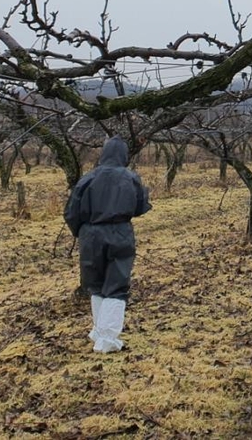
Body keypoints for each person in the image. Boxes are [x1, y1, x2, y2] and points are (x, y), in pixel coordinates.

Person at [64, 136, 151, 353]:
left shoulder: (87, 178)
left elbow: (71, 212)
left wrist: (82, 232)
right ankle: (107, 338)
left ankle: (100, 332)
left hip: (90, 235)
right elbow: (141, 206)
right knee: (116, 285)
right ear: (123, 155)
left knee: (96, 284)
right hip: (120, 232)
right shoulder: (131, 177)